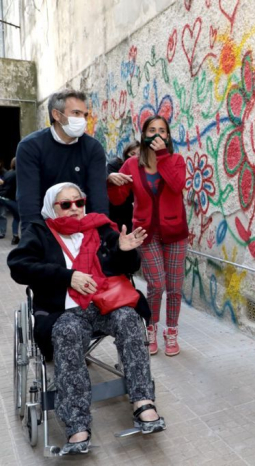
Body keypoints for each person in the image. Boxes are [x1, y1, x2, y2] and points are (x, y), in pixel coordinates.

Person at [7, 183, 166, 456]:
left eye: (78, 202)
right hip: (64, 310)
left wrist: (125, 250)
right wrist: (67, 276)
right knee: (68, 332)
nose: (75, 209)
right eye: (65, 204)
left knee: (129, 319)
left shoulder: (101, 227)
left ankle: (143, 402)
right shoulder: (40, 231)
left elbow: (127, 268)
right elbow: (18, 266)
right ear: (51, 208)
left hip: (106, 305)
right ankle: (77, 424)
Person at [108, 116, 187, 356]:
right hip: (145, 232)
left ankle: (171, 331)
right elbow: (117, 199)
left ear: (168, 137)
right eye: (152, 130)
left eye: (162, 130)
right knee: (156, 284)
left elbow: (177, 185)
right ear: (143, 135)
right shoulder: (132, 164)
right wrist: (112, 181)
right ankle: (150, 327)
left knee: (174, 287)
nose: (157, 134)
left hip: (175, 232)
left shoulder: (176, 160)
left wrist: (162, 157)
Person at [15, 89, 108, 226]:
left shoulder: (93, 148)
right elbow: (28, 201)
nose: (82, 120)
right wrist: (33, 238)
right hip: (44, 229)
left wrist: (104, 235)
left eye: (85, 115)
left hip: (82, 229)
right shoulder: (30, 147)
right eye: (76, 113)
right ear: (56, 115)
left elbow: (98, 198)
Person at [107, 142, 139, 232]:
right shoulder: (115, 164)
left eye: (139, 154)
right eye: (132, 154)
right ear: (126, 153)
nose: (135, 157)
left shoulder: (142, 171)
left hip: (127, 211)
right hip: (111, 209)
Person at [0, 158, 21, 244]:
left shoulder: (8, 173)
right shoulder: (19, 174)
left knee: (16, 217)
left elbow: (3, 184)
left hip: (3, 197)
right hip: (10, 199)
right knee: (20, 217)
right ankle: (17, 237)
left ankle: (15, 237)